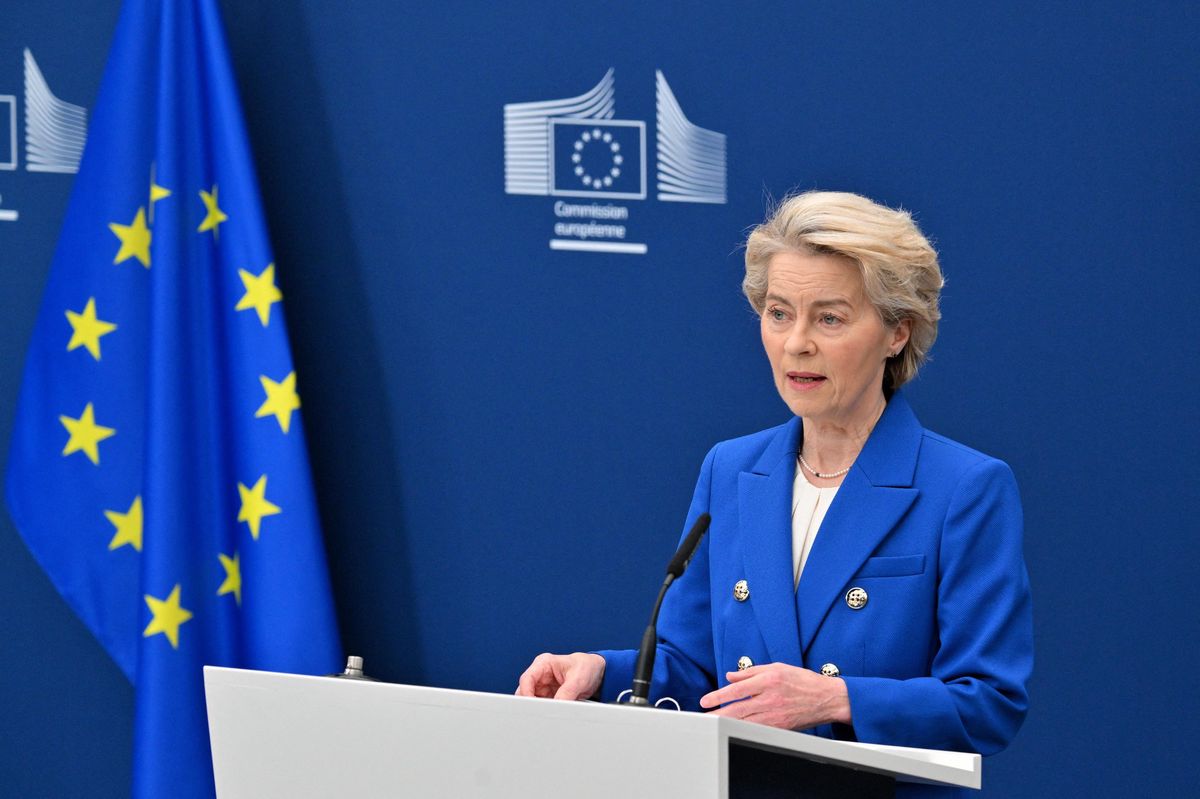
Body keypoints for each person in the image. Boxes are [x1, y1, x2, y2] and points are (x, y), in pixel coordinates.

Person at [516, 191, 1033, 795]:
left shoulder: (965, 488)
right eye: (779, 312)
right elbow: (697, 669)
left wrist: (835, 698)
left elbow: (990, 702)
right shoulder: (731, 469)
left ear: (898, 332)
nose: (797, 343)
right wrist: (604, 673)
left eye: (830, 318)